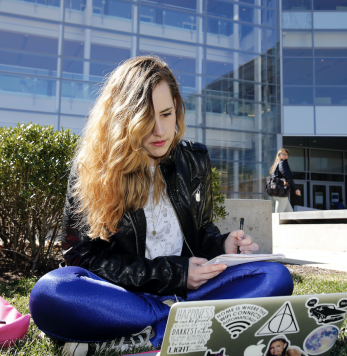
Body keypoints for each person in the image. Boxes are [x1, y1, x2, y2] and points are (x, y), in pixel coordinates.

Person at [28, 56, 294, 356]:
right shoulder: (92, 168)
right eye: (145, 117)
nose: (160, 130)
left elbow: (201, 232)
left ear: (177, 108)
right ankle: (181, 325)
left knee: (275, 277)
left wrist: (223, 245)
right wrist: (173, 274)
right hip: (125, 298)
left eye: (166, 114)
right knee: (51, 292)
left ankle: (150, 334)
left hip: (191, 294)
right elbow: (80, 256)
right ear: (122, 118)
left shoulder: (194, 161)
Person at [269, 148, 300, 213]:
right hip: (280, 192)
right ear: (279, 155)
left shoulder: (277, 164)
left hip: (277, 192)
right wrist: (295, 189)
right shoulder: (282, 163)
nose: (285, 155)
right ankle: (274, 223)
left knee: (290, 213)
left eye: (286, 154)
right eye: (283, 154)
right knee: (278, 215)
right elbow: (287, 176)